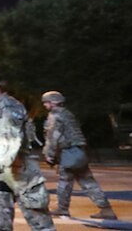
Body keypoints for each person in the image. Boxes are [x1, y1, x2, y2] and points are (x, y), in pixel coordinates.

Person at [0, 69, 55, 231]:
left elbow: (10, 141)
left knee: (40, 222)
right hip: (0, 171)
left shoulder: (9, 105)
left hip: (20, 170)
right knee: (0, 222)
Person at [41, 90, 116, 219]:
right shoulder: (67, 114)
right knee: (82, 180)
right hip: (78, 151)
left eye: (46, 102)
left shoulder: (55, 116)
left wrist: (49, 154)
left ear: (53, 103)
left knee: (68, 181)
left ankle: (62, 208)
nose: (45, 105)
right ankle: (105, 208)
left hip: (69, 152)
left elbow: (54, 137)